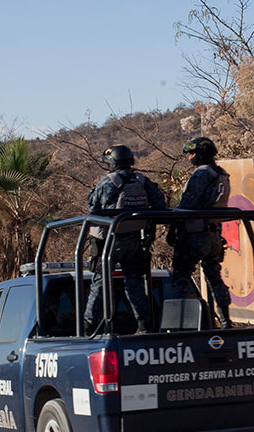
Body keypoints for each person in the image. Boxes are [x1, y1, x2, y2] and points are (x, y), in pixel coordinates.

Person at [82, 145, 168, 334]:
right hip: (134, 241)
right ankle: (144, 325)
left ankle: (89, 327)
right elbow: (160, 206)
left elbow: (92, 206)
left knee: (100, 282)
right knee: (134, 282)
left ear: (113, 162)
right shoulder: (143, 181)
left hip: (108, 242)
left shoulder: (107, 182)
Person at [169, 136, 233, 328]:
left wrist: (173, 227)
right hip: (214, 235)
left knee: (180, 278)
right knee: (215, 277)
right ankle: (225, 321)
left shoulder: (202, 174)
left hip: (195, 234)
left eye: (192, 154)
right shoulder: (221, 174)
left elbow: (187, 204)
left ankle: (177, 326)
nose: (190, 158)